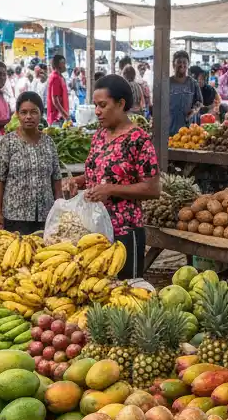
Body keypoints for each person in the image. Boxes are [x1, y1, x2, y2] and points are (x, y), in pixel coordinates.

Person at [65, 74, 159, 277]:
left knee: (125, 292)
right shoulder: (100, 134)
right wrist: (79, 181)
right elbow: (99, 172)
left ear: (120, 103)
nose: (97, 111)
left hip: (124, 231)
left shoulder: (139, 140)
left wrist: (110, 190)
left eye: (102, 105)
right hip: (94, 228)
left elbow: (152, 188)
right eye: (95, 105)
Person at [0, 91, 63, 234]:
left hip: (46, 215)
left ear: (41, 114)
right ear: (17, 115)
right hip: (15, 217)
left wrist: (60, 207)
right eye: (23, 112)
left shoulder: (49, 142)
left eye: (34, 112)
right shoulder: (7, 142)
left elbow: (56, 177)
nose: (28, 117)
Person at [167, 50, 201, 135]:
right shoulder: (167, 83)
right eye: (179, 62)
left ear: (188, 65)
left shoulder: (193, 83)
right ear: (173, 64)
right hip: (168, 129)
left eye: (184, 62)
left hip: (188, 131)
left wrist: (194, 110)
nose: (182, 65)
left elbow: (199, 102)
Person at [44, 54, 70, 126]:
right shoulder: (55, 77)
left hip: (60, 116)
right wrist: (66, 116)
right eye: (63, 63)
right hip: (56, 118)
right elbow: (55, 100)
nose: (65, 65)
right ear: (58, 64)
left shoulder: (60, 76)